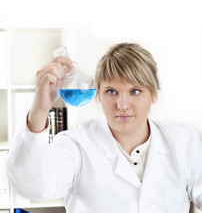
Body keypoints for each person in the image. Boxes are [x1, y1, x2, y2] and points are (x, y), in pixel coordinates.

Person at [6, 43, 202, 213]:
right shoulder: (75, 145)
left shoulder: (184, 141)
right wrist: (40, 109)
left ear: (153, 95)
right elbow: (33, 186)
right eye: (111, 91)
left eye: (135, 91)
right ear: (98, 95)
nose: (122, 104)